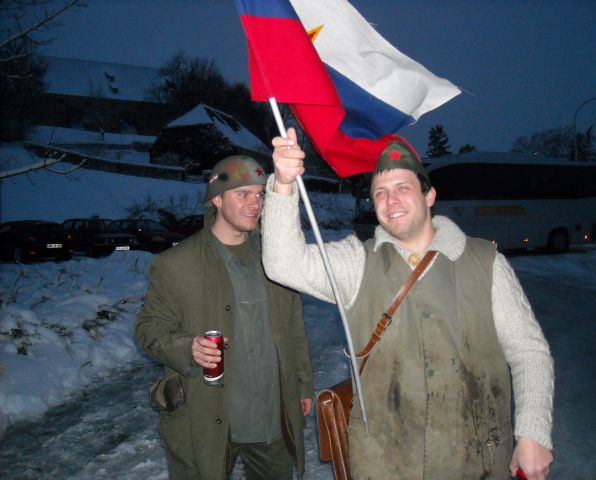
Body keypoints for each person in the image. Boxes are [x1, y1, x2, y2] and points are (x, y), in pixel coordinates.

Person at [260, 128, 554, 480]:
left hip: (478, 463)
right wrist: (282, 184)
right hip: (386, 465)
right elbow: (283, 264)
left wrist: (533, 433)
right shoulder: (357, 262)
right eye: (380, 193)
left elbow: (528, 351)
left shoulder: (485, 262)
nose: (391, 201)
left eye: (402, 188)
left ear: (429, 195)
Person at [135, 155, 314, 480]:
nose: (255, 203)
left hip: (270, 414)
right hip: (206, 414)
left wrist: (302, 385)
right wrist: (187, 348)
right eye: (242, 194)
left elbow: (294, 328)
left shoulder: (277, 256)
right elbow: (148, 330)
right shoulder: (177, 264)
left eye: (260, 194)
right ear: (216, 199)